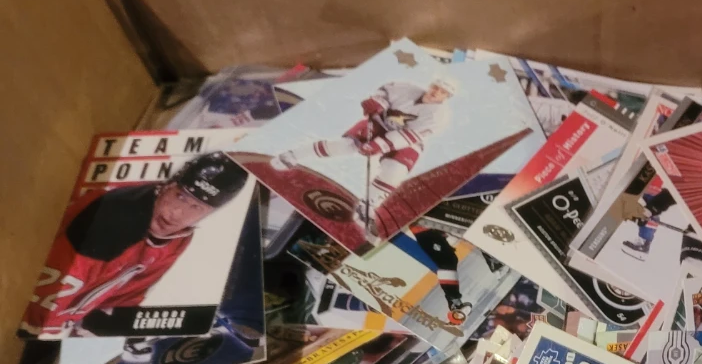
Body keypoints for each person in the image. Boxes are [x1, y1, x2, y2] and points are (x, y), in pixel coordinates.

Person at [25, 152, 249, 335]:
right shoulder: (115, 218)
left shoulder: (178, 238)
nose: (177, 213)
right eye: (180, 196)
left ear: (209, 214)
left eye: (196, 207)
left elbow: (128, 297)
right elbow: (41, 299)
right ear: (167, 185)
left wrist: (100, 330)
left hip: (63, 326)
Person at [276, 79, 456, 200]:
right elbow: (383, 91)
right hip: (379, 122)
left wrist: (380, 145)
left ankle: (368, 205)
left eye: (442, 92)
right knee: (345, 146)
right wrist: (378, 102)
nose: (436, 92)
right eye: (436, 87)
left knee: (396, 171)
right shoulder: (406, 87)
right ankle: (292, 155)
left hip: (406, 140)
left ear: (446, 97)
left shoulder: (440, 117)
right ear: (430, 85)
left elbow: (410, 136)